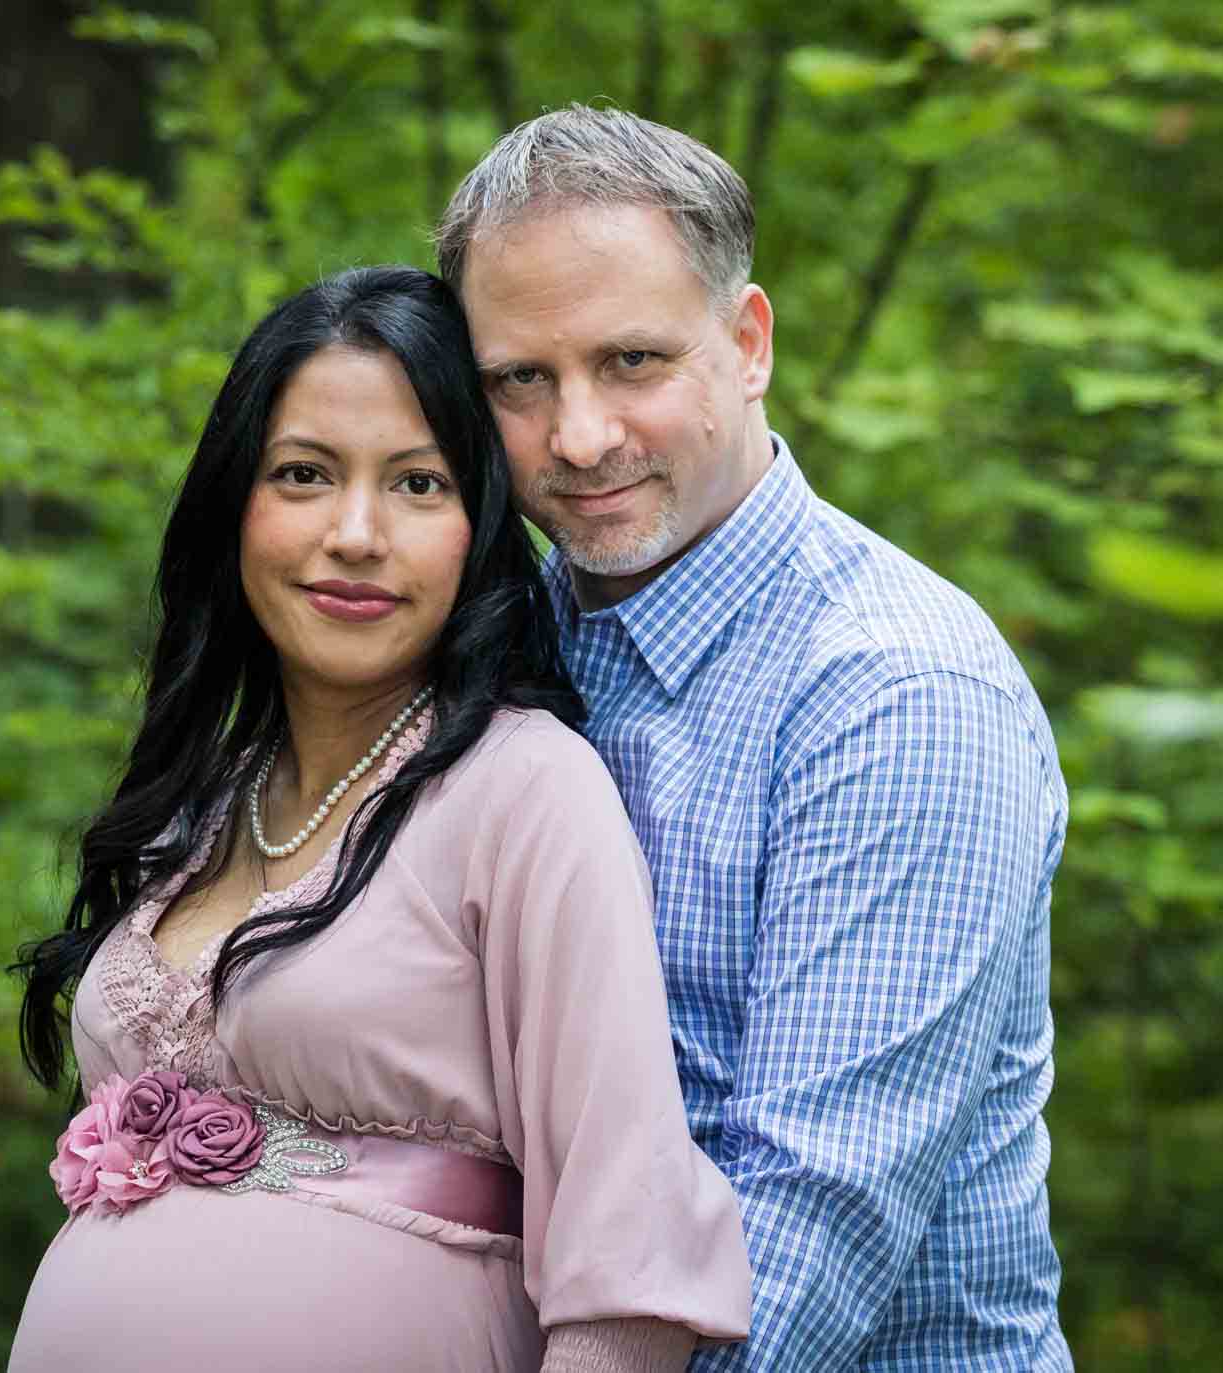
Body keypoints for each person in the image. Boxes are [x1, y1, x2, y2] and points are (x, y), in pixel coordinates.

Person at [6, 266, 751, 1373]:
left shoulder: (524, 792)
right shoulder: (197, 809)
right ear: (233, 505)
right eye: (303, 474)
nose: (355, 534)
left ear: (478, 526)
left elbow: (624, 1283)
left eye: (417, 484)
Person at [438, 106, 1073, 1370]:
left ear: (746, 343)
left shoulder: (898, 693)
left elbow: (799, 1243)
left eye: (631, 362)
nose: (578, 437)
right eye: (520, 379)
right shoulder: (491, 648)